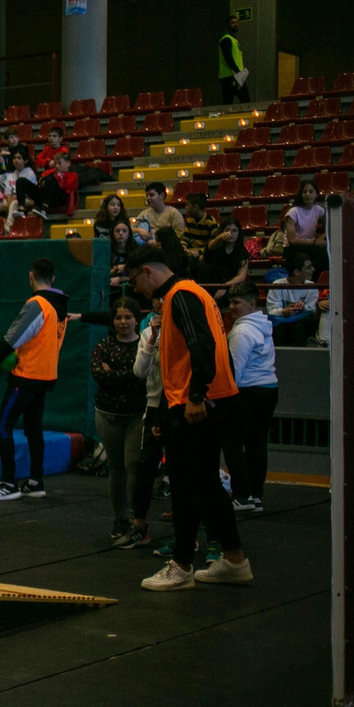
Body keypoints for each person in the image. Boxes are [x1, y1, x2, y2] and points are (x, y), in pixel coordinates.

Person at [126, 243, 253, 590]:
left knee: (185, 485)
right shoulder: (192, 292)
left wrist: (196, 396)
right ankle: (234, 559)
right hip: (205, 399)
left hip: (195, 404)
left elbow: (202, 346)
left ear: (148, 272)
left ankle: (182, 565)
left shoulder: (180, 296)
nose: (136, 290)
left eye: (135, 281)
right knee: (207, 484)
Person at [0, 258, 69, 501]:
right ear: (53, 279)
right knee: (33, 429)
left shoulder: (37, 304)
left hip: (27, 376)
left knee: (2, 426)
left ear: (31, 276)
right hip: (46, 375)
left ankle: (9, 483)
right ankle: (35, 481)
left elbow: (15, 337)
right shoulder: (60, 307)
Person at [91, 298, 147, 541]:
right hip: (107, 414)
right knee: (115, 468)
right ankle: (120, 518)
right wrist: (130, 375)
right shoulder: (103, 346)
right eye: (118, 317)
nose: (123, 322)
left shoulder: (144, 346)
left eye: (128, 317)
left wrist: (114, 374)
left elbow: (143, 377)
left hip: (137, 415)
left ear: (136, 319)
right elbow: (99, 375)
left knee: (133, 466)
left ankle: (136, 519)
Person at [224, 284, 277, 513]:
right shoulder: (263, 326)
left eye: (236, 302)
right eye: (230, 302)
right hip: (268, 389)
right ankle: (255, 496)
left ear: (252, 304)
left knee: (232, 443)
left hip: (247, 392)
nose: (231, 307)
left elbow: (234, 371)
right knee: (257, 445)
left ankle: (242, 495)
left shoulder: (242, 332)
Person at [116, 306, 167, 551]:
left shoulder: (186, 331)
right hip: (155, 405)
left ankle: (190, 535)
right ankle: (139, 525)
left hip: (179, 405)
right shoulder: (148, 333)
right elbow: (140, 371)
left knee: (182, 472)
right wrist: (153, 339)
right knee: (144, 468)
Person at [268, 251, 320, 347]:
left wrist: (303, 307)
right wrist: (284, 311)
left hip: (302, 322)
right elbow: (271, 310)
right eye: (308, 267)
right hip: (282, 322)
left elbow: (312, 309)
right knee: (279, 330)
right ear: (297, 272)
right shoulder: (277, 285)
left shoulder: (312, 286)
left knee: (298, 328)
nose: (313, 269)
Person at [278, 179, 328, 274]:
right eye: (304, 192)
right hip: (292, 247)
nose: (307, 194)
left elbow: (329, 229)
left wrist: (322, 237)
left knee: (327, 253)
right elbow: (292, 240)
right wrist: (314, 242)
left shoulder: (319, 210)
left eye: (311, 192)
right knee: (321, 254)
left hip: (309, 245)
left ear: (316, 194)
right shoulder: (293, 212)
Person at [199, 217, 250, 300]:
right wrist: (220, 237)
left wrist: (224, 286)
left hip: (230, 284)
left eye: (234, 231)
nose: (230, 233)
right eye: (227, 230)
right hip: (210, 281)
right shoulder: (216, 245)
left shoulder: (242, 252)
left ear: (239, 233)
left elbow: (241, 276)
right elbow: (211, 246)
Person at [219, 13, 248, 105]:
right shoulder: (226, 39)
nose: (236, 24)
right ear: (227, 26)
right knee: (235, 101)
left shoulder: (234, 40)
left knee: (242, 100)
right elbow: (228, 57)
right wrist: (237, 71)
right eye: (232, 23)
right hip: (230, 75)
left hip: (236, 75)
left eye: (237, 22)